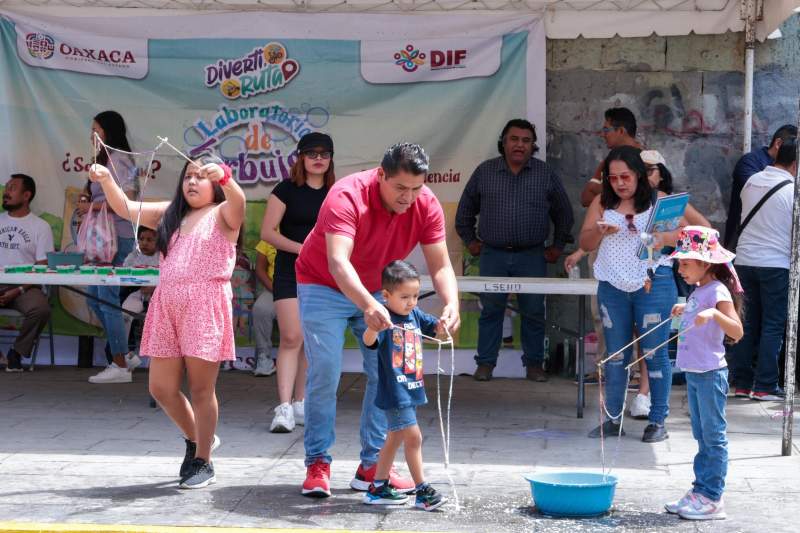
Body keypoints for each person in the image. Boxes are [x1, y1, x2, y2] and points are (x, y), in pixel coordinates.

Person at [294, 142, 460, 498]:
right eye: (400, 188)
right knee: (325, 368)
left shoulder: (425, 203)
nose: (408, 197)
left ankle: (371, 465)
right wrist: (369, 304)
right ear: (380, 174)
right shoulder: (346, 195)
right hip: (323, 283)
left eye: (416, 188)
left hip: (377, 292)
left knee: (385, 373)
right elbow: (339, 262)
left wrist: (452, 303)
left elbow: (441, 264)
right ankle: (318, 463)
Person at [88, 152, 245, 489]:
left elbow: (239, 200)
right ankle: (197, 439)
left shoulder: (222, 213)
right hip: (166, 303)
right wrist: (105, 180)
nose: (192, 181)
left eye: (201, 176)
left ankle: (203, 460)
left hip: (205, 303)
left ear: (214, 183)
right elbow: (126, 209)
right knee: (160, 387)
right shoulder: (171, 214)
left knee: (202, 389)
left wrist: (227, 177)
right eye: (188, 175)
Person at [455, 118, 573, 382]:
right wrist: (470, 241)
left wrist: (557, 246)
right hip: (493, 254)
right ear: (503, 142)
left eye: (526, 140)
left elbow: (564, 213)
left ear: (533, 146)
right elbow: (464, 212)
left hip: (532, 255)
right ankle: (485, 364)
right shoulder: (485, 172)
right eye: (514, 139)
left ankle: (533, 365)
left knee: (533, 311)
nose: (520, 145)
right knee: (491, 311)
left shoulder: (545, 174)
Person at [579, 146, 681, 443]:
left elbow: (689, 232)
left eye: (625, 176)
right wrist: (600, 232)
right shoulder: (601, 202)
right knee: (616, 354)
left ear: (639, 174)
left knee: (654, 352)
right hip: (612, 285)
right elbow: (585, 242)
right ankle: (612, 419)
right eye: (612, 178)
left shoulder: (660, 201)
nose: (619, 183)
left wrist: (661, 237)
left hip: (654, 282)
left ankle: (658, 420)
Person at [666, 226, 743, 520]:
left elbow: (736, 329)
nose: (680, 269)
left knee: (713, 437)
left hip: (711, 374)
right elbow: (698, 314)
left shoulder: (718, 291)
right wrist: (684, 308)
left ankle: (712, 498)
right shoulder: (699, 290)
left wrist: (713, 313)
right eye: (679, 263)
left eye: (686, 263)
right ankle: (700, 490)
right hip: (696, 373)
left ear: (705, 264)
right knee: (701, 434)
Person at [261, 132, 334, 433]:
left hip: (323, 273)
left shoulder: (336, 192)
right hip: (290, 270)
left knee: (308, 340)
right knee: (291, 337)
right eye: (312, 153)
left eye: (324, 153)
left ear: (330, 159)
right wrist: (302, 248)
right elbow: (267, 233)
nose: (318, 158)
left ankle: (300, 402)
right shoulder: (286, 190)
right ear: (301, 157)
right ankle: (283, 407)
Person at [361, 260, 446, 511]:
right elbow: (369, 342)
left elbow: (436, 328)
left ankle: (378, 487)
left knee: (394, 439)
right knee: (414, 437)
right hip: (395, 391)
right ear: (386, 295)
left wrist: (445, 323)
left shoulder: (414, 315)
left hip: (412, 387)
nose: (411, 302)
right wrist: (372, 328)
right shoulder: (384, 317)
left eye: (416, 296)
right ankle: (422, 491)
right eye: (405, 296)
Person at [568, 108, 644, 385]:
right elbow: (586, 197)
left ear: (621, 131)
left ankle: (636, 371)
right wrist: (611, 191)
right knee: (602, 310)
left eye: (606, 130)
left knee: (638, 313)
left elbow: (658, 194)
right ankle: (607, 366)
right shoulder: (607, 162)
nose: (603, 135)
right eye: (615, 178)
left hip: (638, 246)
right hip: (605, 243)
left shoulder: (647, 160)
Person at [729, 134, 797, 400]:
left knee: (746, 321)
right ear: (795, 164)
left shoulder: (752, 181)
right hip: (776, 265)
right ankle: (765, 385)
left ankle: (742, 383)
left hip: (744, 261)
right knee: (772, 324)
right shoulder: (793, 191)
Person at [82, 111, 141, 384]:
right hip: (102, 239)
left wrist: (91, 205)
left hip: (118, 237)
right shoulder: (104, 160)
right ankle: (125, 354)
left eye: (97, 130)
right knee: (94, 297)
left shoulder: (120, 160)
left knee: (106, 298)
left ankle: (119, 364)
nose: (93, 135)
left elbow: (127, 201)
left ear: (109, 132)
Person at [0, 173, 54, 372]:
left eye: (12, 188)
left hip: (25, 286)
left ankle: (17, 352)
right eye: (6, 187)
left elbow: (42, 267)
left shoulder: (41, 227)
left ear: (26, 195)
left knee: (41, 309)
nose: (6, 192)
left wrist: (19, 290)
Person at [723, 124, 798, 249]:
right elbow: (763, 194)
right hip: (744, 242)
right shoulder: (750, 162)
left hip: (775, 244)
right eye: (793, 144)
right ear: (778, 143)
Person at [120, 226, 160, 365]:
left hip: (160, 298)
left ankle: (157, 359)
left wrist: (155, 287)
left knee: (160, 321)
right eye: (141, 239)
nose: (144, 243)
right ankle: (124, 354)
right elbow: (124, 276)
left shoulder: (164, 257)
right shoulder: (133, 257)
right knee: (124, 315)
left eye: (150, 240)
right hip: (138, 294)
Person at [251, 238, 277, 377]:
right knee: (261, 308)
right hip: (275, 289)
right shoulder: (270, 236)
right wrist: (276, 290)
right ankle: (264, 358)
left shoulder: (309, 231)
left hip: (304, 290)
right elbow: (260, 270)